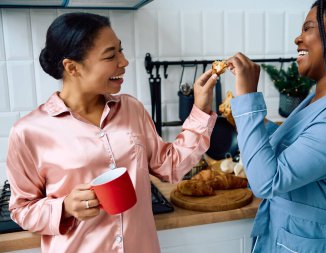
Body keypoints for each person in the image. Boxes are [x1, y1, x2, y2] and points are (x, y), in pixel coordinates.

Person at [6, 12, 218, 253]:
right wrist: (64, 207)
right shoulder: (28, 131)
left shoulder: (131, 109)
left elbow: (171, 166)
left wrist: (200, 108)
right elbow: (21, 209)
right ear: (72, 67)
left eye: (121, 50)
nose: (124, 61)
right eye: (110, 55)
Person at [227, 0, 326, 252]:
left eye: (308, 28)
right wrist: (254, 121)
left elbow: (266, 181)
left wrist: (247, 98)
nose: (297, 39)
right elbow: (298, 150)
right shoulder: (321, 98)